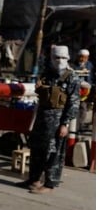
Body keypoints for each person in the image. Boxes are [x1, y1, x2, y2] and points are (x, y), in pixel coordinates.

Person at [24, 45, 80, 194]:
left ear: (67, 58)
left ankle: (49, 183)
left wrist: (65, 123)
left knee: (53, 153)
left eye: (63, 57)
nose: (60, 61)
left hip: (57, 120)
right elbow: (40, 93)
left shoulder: (72, 78)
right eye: (56, 57)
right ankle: (34, 179)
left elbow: (73, 103)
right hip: (42, 118)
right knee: (37, 149)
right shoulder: (47, 75)